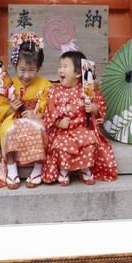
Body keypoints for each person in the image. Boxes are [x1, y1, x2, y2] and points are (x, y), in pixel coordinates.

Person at [42, 47, 117, 186]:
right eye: (60, 66)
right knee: (61, 145)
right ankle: (63, 170)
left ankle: (85, 168)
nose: (60, 70)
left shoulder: (87, 90)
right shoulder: (54, 90)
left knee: (89, 142)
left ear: (77, 73)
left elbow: (100, 106)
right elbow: (49, 110)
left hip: (82, 129)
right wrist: (58, 122)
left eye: (65, 66)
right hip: (63, 130)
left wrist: (94, 108)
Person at [0, 32, 51, 189]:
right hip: (13, 117)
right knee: (9, 130)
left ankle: (38, 167)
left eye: (31, 70)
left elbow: (51, 106)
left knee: (39, 128)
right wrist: (11, 108)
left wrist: (36, 114)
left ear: (38, 67)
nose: (26, 75)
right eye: (22, 69)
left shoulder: (45, 85)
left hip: (35, 117)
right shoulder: (8, 85)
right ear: (15, 65)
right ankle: (11, 167)